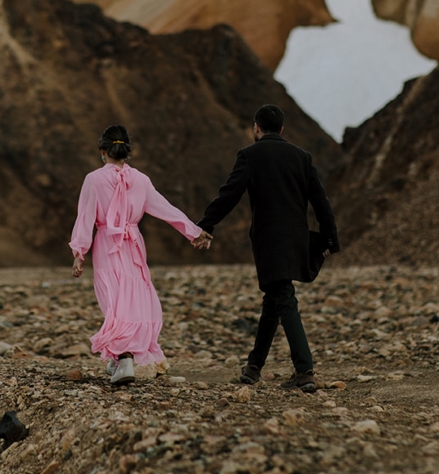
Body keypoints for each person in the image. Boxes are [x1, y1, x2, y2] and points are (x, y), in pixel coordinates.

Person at [197, 104, 338, 392]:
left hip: (268, 241)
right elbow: (321, 202)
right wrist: (329, 239)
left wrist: (206, 225)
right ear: (282, 129)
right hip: (296, 239)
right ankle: (253, 367)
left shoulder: (249, 155)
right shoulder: (302, 157)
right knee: (274, 300)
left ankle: (305, 370)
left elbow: (229, 194)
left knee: (284, 297)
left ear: (256, 128)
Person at [70, 125, 210, 385]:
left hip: (107, 244)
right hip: (133, 245)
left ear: (103, 152)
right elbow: (165, 209)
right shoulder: (142, 180)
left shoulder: (93, 179)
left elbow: (85, 217)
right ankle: (119, 359)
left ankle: (124, 361)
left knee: (114, 301)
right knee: (132, 300)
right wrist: (194, 231)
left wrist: (79, 253)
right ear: (126, 152)